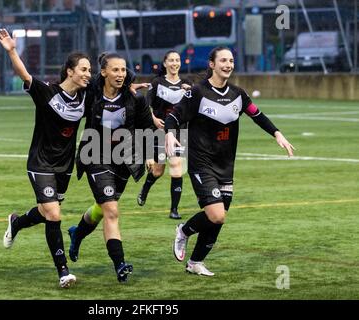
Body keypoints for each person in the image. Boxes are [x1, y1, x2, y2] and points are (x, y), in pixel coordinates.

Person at [165, 47, 295, 276]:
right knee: (217, 214)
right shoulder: (197, 92)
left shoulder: (238, 94)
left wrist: (277, 133)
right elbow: (174, 116)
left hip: (225, 165)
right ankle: (183, 231)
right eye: (223, 60)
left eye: (231, 60)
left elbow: (257, 114)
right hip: (201, 162)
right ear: (212, 64)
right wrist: (169, 133)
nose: (228, 64)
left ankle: (195, 263)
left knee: (217, 219)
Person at [0, 28, 92, 288]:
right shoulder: (47, 93)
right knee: (54, 213)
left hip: (65, 166)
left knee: (45, 211)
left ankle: (17, 222)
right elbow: (25, 75)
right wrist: (12, 51)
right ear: (70, 71)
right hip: (40, 162)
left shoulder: (85, 96)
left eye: (90, 70)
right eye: (83, 69)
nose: (88, 74)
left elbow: (111, 92)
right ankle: (64, 272)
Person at [68, 52, 154, 283]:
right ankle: (120, 264)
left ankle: (77, 234)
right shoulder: (91, 94)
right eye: (115, 70)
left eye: (123, 70)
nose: (120, 74)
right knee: (112, 210)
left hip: (125, 158)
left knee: (102, 208)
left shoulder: (135, 98)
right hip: (95, 155)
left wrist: (151, 154)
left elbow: (148, 127)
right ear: (103, 72)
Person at [137, 50, 192, 219]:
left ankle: (174, 210)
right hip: (159, 132)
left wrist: (191, 91)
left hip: (179, 132)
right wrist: (153, 119)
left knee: (176, 168)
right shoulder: (158, 82)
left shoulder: (187, 84)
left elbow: (195, 106)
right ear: (165, 63)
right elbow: (145, 107)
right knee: (158, 171)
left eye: (177, 60)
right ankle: (145, 189)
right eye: (171, 60)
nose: (175, 63)